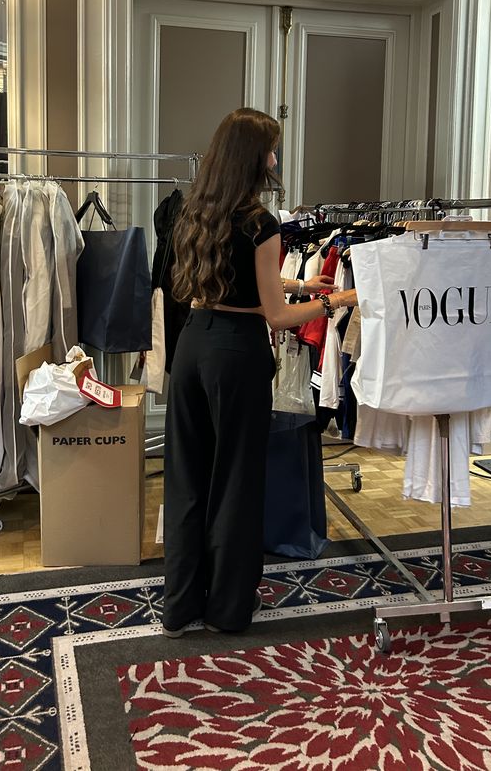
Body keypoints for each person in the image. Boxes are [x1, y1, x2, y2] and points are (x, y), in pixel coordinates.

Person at [162, 108, 357, 638]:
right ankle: (227, 609)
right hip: (236, 356)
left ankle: (179, 607)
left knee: (188, 479)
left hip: (192, 349)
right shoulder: (260, 223)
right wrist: (335, 300)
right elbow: (274, 317)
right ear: (253, 158)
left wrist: (299, 286)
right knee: (237, 481)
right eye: (271, 149)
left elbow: (237, 287)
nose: (275, 159)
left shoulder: (195, 211)